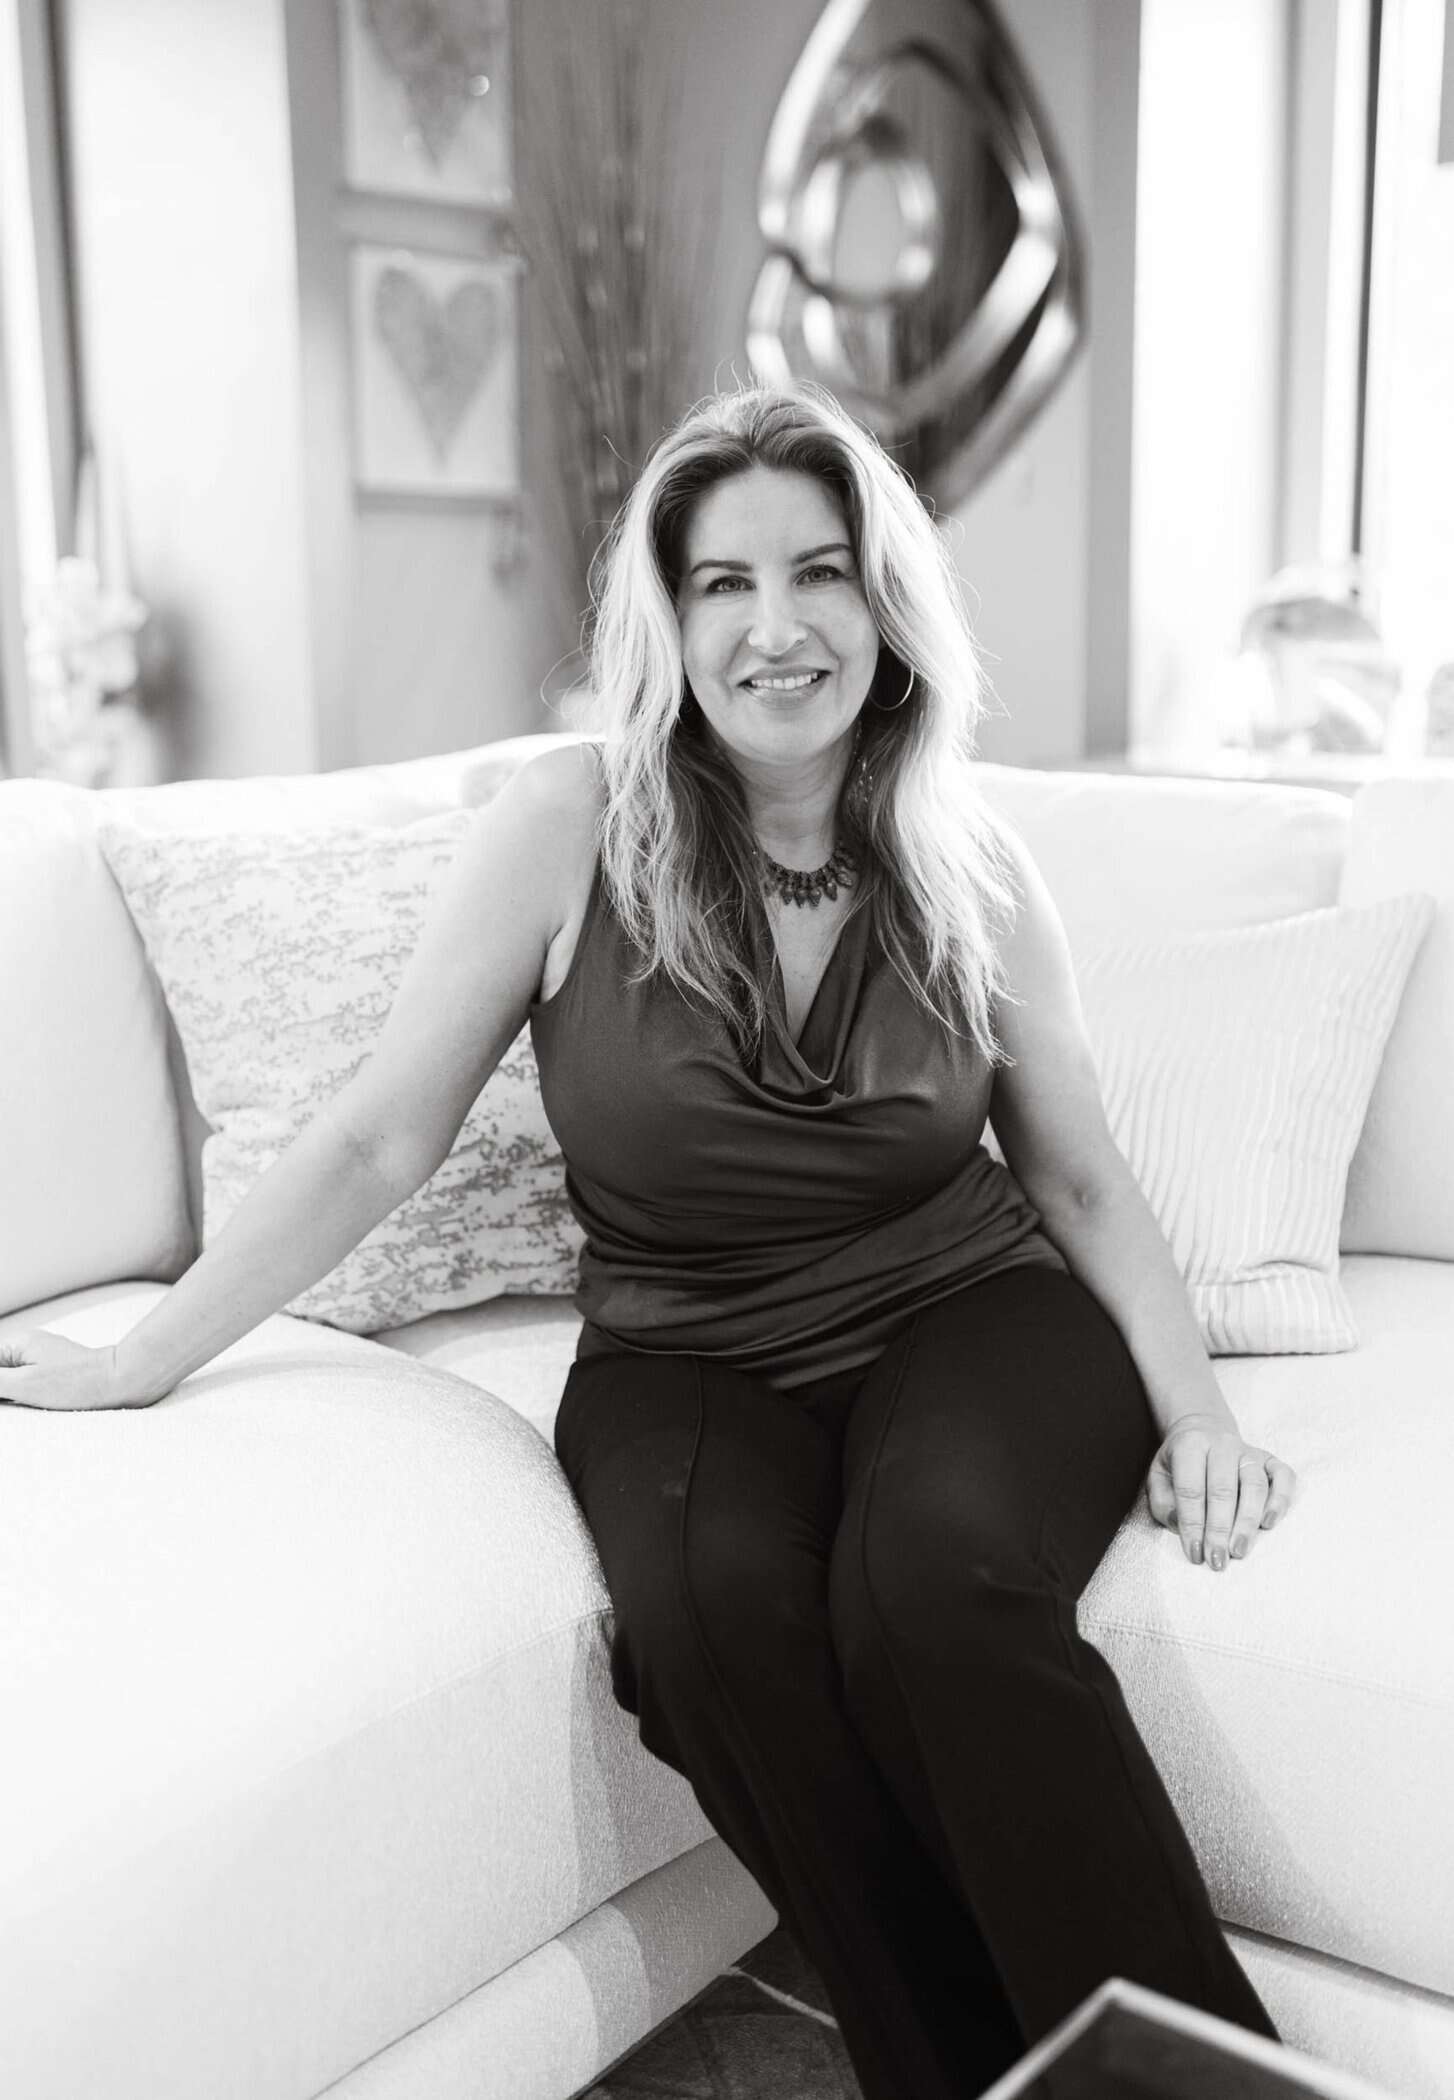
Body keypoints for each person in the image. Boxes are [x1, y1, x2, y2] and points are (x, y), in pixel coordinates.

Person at [1, 382, 1294, 2098]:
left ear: (882, 606)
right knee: (704, 1623)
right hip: (687, 1347)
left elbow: (1073, 1178)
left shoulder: (971, 861)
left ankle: (1213, 2084)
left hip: (968, 1311)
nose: (775, 628)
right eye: (721, 583)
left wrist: (1195, 1406)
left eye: (819, 573)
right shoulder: (566, 825)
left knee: (933, 1591)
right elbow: (381, 1133)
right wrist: (143, 1351)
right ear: (667, 618)